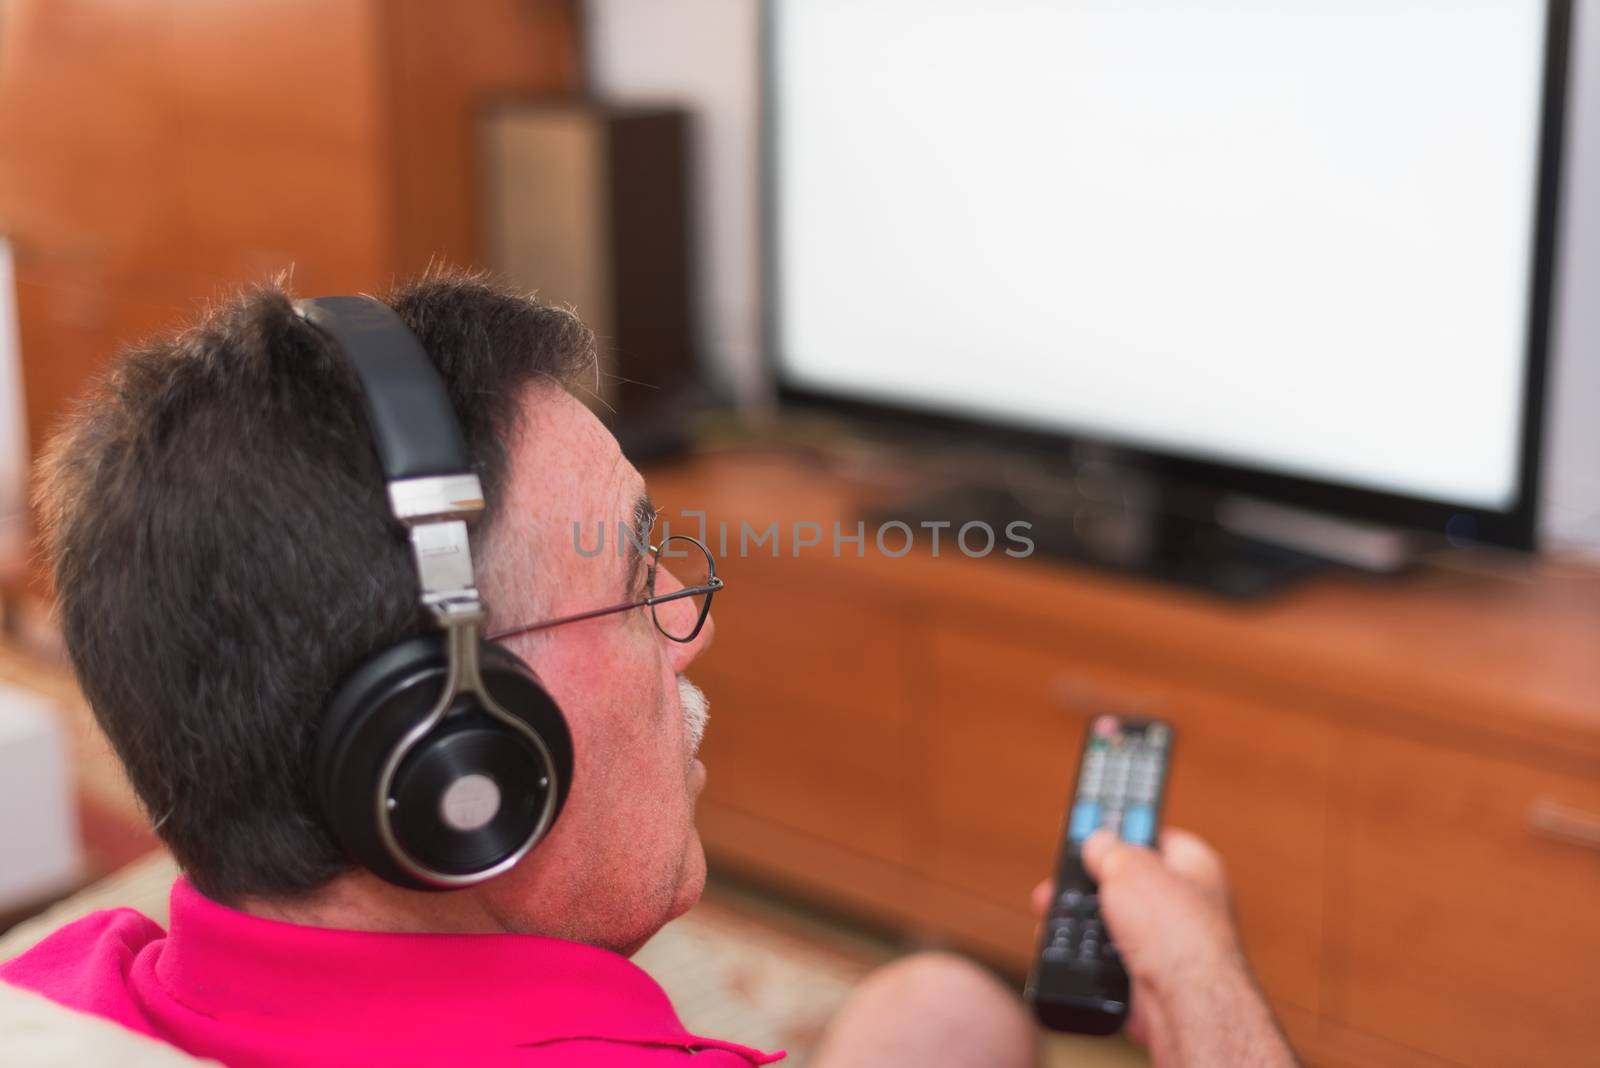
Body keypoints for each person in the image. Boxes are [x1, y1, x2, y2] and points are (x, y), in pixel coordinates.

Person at [0, 273, 1297, 1068]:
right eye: (633, 578)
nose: (692, 622)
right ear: (459, 759)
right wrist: (1208, 997)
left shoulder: (53, 992)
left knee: (941, 1008)